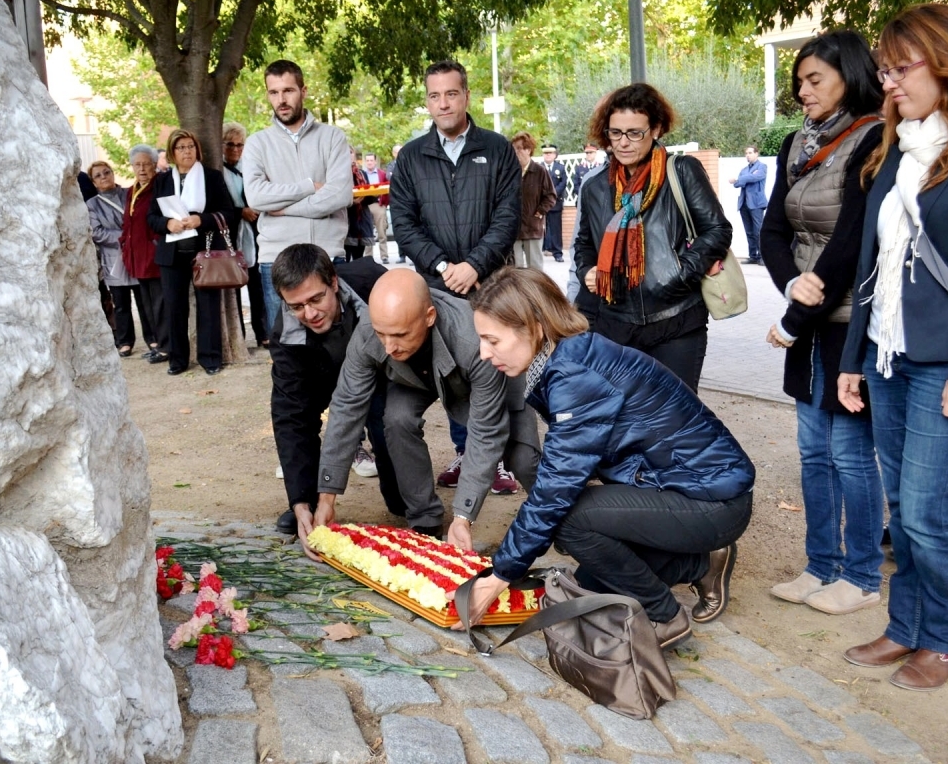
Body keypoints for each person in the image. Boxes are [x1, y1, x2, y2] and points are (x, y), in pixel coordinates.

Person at [837, 3, 948, 690]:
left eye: (900, 68)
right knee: (899, 510)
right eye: (883, 71)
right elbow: (870, 263)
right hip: (888, 355)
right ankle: (908, 625)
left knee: (922, 508)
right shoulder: (899, 143)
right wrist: (853, 358)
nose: (888, 82)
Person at [456, 268, 755, 648]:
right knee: (589, 586)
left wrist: (500, 576)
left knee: (568, 521)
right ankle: (700, 564)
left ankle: (665, 618)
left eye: (492, 339)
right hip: (688, 489)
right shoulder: (567, 357)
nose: (484, 353)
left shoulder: (575, 376)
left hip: (712, 501)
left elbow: (553, 492)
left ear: (532, 326)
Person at [761, 31, 887, 616]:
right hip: (807, 313)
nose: (803, 90)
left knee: (850, 455)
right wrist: (790, 282)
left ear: (849, 75)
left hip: (846, 321)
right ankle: (821, 566)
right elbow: (773, 231)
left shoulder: (874, 139)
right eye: (800, 81)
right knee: (813, 452)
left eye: (815, 79)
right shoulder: (795, 143)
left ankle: (861, 576)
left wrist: (794, 316)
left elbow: (853, 239)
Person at [302, 269, 541, 556]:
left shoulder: (474, 339)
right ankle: (424, 520)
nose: (389, 347)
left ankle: (561, 522)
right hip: (411, 377)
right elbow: (345, 407)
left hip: (471, 373)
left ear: (428, 317)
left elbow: (485, 432)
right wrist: (326, 498)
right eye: (382, 335)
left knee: (523, 456)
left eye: (400, 334)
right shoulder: (371, 331)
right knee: (396, 419)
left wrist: (464, 517)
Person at [390, 59, 523, 493]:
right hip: (438, 286)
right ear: (426, 102)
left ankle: (501, 459)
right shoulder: (411, 157)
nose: (443, 103)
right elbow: (404, 224)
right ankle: (467, 452)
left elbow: (508, 215)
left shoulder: (497, 148)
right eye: (434, 95)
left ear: (466, 96)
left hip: (491, 283)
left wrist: (476, 265)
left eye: (451, 93)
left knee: (496, 365)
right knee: (453, 371)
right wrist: (446, 268)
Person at [575, 83, 732, 392]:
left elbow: (717, 230)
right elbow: (584, 245)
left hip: (676, 321)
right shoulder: (595, 187)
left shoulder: (682, 171)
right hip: (614, 323)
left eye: (635, 133)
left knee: (674, 421)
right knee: (625, 421)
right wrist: (587, 271)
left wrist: (678, 274)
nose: (623, 143)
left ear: (656, 129)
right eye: (615, 133)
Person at [269, 244, 404, 535]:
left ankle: (404, 493)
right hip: (321, 370)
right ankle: (310, 503)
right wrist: (300, 503)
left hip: (380, 368)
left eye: (316, 299)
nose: (310, 313)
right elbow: (291, 416)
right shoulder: (285, 335)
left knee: (387, 423)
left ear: (333, 282)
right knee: (296, 419)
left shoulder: (373, 283)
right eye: (296, 306)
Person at [243, 59, 353, 335]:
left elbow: (339, 195)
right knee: (288, 350)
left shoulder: (332, 137)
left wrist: (281, 208)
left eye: (288, 91)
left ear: (303, 91)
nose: (281, 99)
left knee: (339, 345)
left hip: (327, 255)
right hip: (276, 258)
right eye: (274, 92)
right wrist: (307, 186)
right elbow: (256, 197)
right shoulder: (257, 143)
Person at [147, 128, 241, 376]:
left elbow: (229, 214)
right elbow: (151, 217)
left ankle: (211, 359)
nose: (186, 151)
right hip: (172, 252)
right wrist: (167, 224)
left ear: (197, 150)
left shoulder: (211, 177)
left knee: (208, 306)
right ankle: (177, 361)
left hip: (205, 250)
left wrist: (202, 219)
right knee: (174, 307)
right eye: (181, 148)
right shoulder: (162, 181)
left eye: (190, 146)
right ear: (172, 153)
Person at [86, 160, 145, 357]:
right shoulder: (92, 205)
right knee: (121, 303)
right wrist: (124, 237)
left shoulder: (130, 194)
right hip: (114, 259)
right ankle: (125, 341)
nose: (104, 177)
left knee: (144, 301)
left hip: (137, 255)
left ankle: (152, 338)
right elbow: (97, 232)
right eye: (98, 175)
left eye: (106, 172)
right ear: (93, 182)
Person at [221, 122, 269, 347]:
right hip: (229, 233)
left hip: (254, 231)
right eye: (230, 144)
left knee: (257, 284)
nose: (235, 149)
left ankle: (263, 333)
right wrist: (240, 212)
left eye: (240, 145)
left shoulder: (248, 166)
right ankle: (237, 333)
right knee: (233, 286)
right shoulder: (218, 171)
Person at [122, 145, 170, 363]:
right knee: (147, 305)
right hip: (137, 256)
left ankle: (166, 346)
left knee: (160, 305)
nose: (142, 169)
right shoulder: (132, 190)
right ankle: (156, 343)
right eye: (137, 164)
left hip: (154, 255)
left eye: (146, 164)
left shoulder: (159, 186)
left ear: (154, 165)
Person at [510, 132, 556, 271]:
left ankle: (536, 293)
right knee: (514, 269)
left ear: (528, 150)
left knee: (535, 268)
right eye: (514, 149)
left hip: (533, 228)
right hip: (514, 229)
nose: (515, 152)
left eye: (519, 148)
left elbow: (551, 196)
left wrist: (540, 211)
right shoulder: (510, 172)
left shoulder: (540, 171)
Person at [730, 146, 768, 265]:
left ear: (756, 154)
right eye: (746, 153)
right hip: (744, 204)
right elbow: (736, 185)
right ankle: (753, 256)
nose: (748, 155)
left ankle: (763, 257)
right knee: (749, 232)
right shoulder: (744, 170)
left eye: (750, 153)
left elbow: (756, 177)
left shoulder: (762, 167)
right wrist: (741, 179)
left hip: (756, 204)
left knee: (758, 231)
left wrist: (740, 179)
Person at [361, 152, 393, 263]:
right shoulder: (361, 174)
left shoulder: (382, 174)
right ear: (365, 162)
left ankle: (384, 256)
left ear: (375, 161)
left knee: (382, 232)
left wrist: (385, 203)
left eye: (371, 160)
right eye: (368, 160)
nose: (369, 162)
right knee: (367, 233)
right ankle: (368, 257)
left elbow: (388, 189)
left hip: (379, 205)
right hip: (366, 206)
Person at [540, 145, 569, 262]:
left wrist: (552, 194)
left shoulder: (560, 168)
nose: (548, 155)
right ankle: (544, 249)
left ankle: (557, 253)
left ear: (555, 155)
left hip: (556, 203)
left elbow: (563, 183)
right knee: (540, 228)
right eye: (546, 153)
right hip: (541, 203)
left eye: (550, 153)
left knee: (556, 228)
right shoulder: (539, 168)